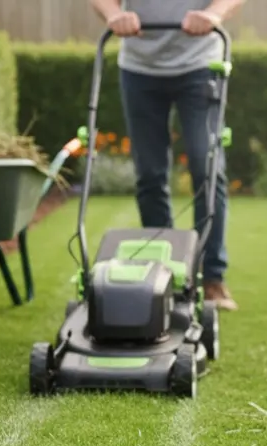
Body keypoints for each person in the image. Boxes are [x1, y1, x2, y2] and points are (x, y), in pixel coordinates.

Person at [87, 0, 244, 311]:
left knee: (207, 167)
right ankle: (163, 272)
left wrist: (213, 14)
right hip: (139, 68)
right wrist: (114, 14)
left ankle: (212, 277)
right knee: (150, 173)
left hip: (201, 63)